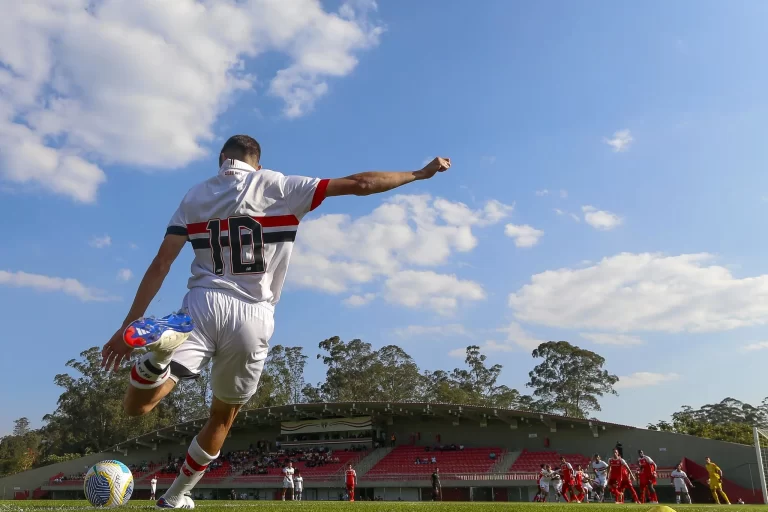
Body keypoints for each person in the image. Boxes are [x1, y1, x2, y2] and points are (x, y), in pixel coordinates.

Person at [99, 134, 451, 509]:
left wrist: (128, 325)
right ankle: (175, 497)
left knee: (137, 409)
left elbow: (161, 264)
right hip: (254, 313)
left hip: (202, 304)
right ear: (258, 164)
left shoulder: (195, 196)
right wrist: (418, 173)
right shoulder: (281, 185)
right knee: (222, 417)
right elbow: (362, 183)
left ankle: (158, 357)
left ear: (222, 160)